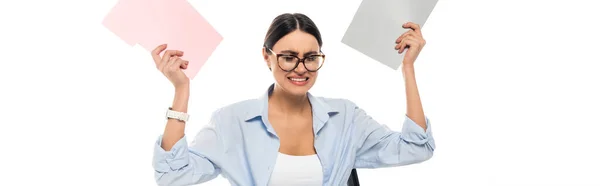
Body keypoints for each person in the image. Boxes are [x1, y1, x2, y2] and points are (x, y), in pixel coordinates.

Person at [150, 13, 435, 186]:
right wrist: (181, 91)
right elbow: (173, 175)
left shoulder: (345, 118)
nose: (301, 68)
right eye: (288, 58)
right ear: (267, 57)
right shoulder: (233, 122)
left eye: (311, 58)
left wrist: (408, 68)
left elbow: (416, 148)